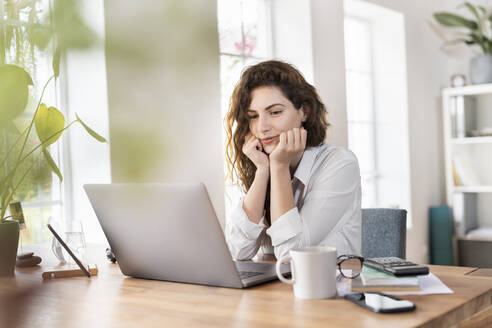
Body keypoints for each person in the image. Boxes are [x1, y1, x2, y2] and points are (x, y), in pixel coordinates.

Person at [224, 60, 361, 260]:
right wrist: (263, 171)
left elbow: (291, 256)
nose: (262, 127)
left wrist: (279, 166)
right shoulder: (261, 162)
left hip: (330, 287)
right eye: (253, 116)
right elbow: (238, 250)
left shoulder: (340, 163)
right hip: (274, 289)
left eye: (275, 112)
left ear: (303, 111)